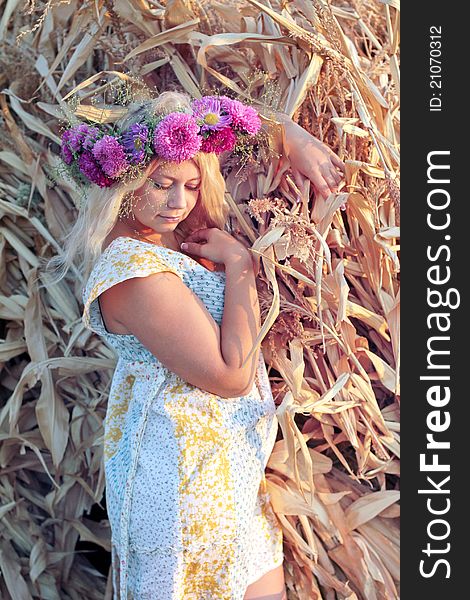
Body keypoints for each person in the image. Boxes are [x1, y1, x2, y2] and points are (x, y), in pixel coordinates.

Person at [50, 90, 344, 600]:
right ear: (125, 179)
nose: (179, 202)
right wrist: (241, 269)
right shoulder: (133, 272)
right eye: (161, 184)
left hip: (222, 466)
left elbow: (224, 129)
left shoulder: (163, 240)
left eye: (190, 184)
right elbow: (230, 375)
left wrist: (286, 134)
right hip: (181, 479)